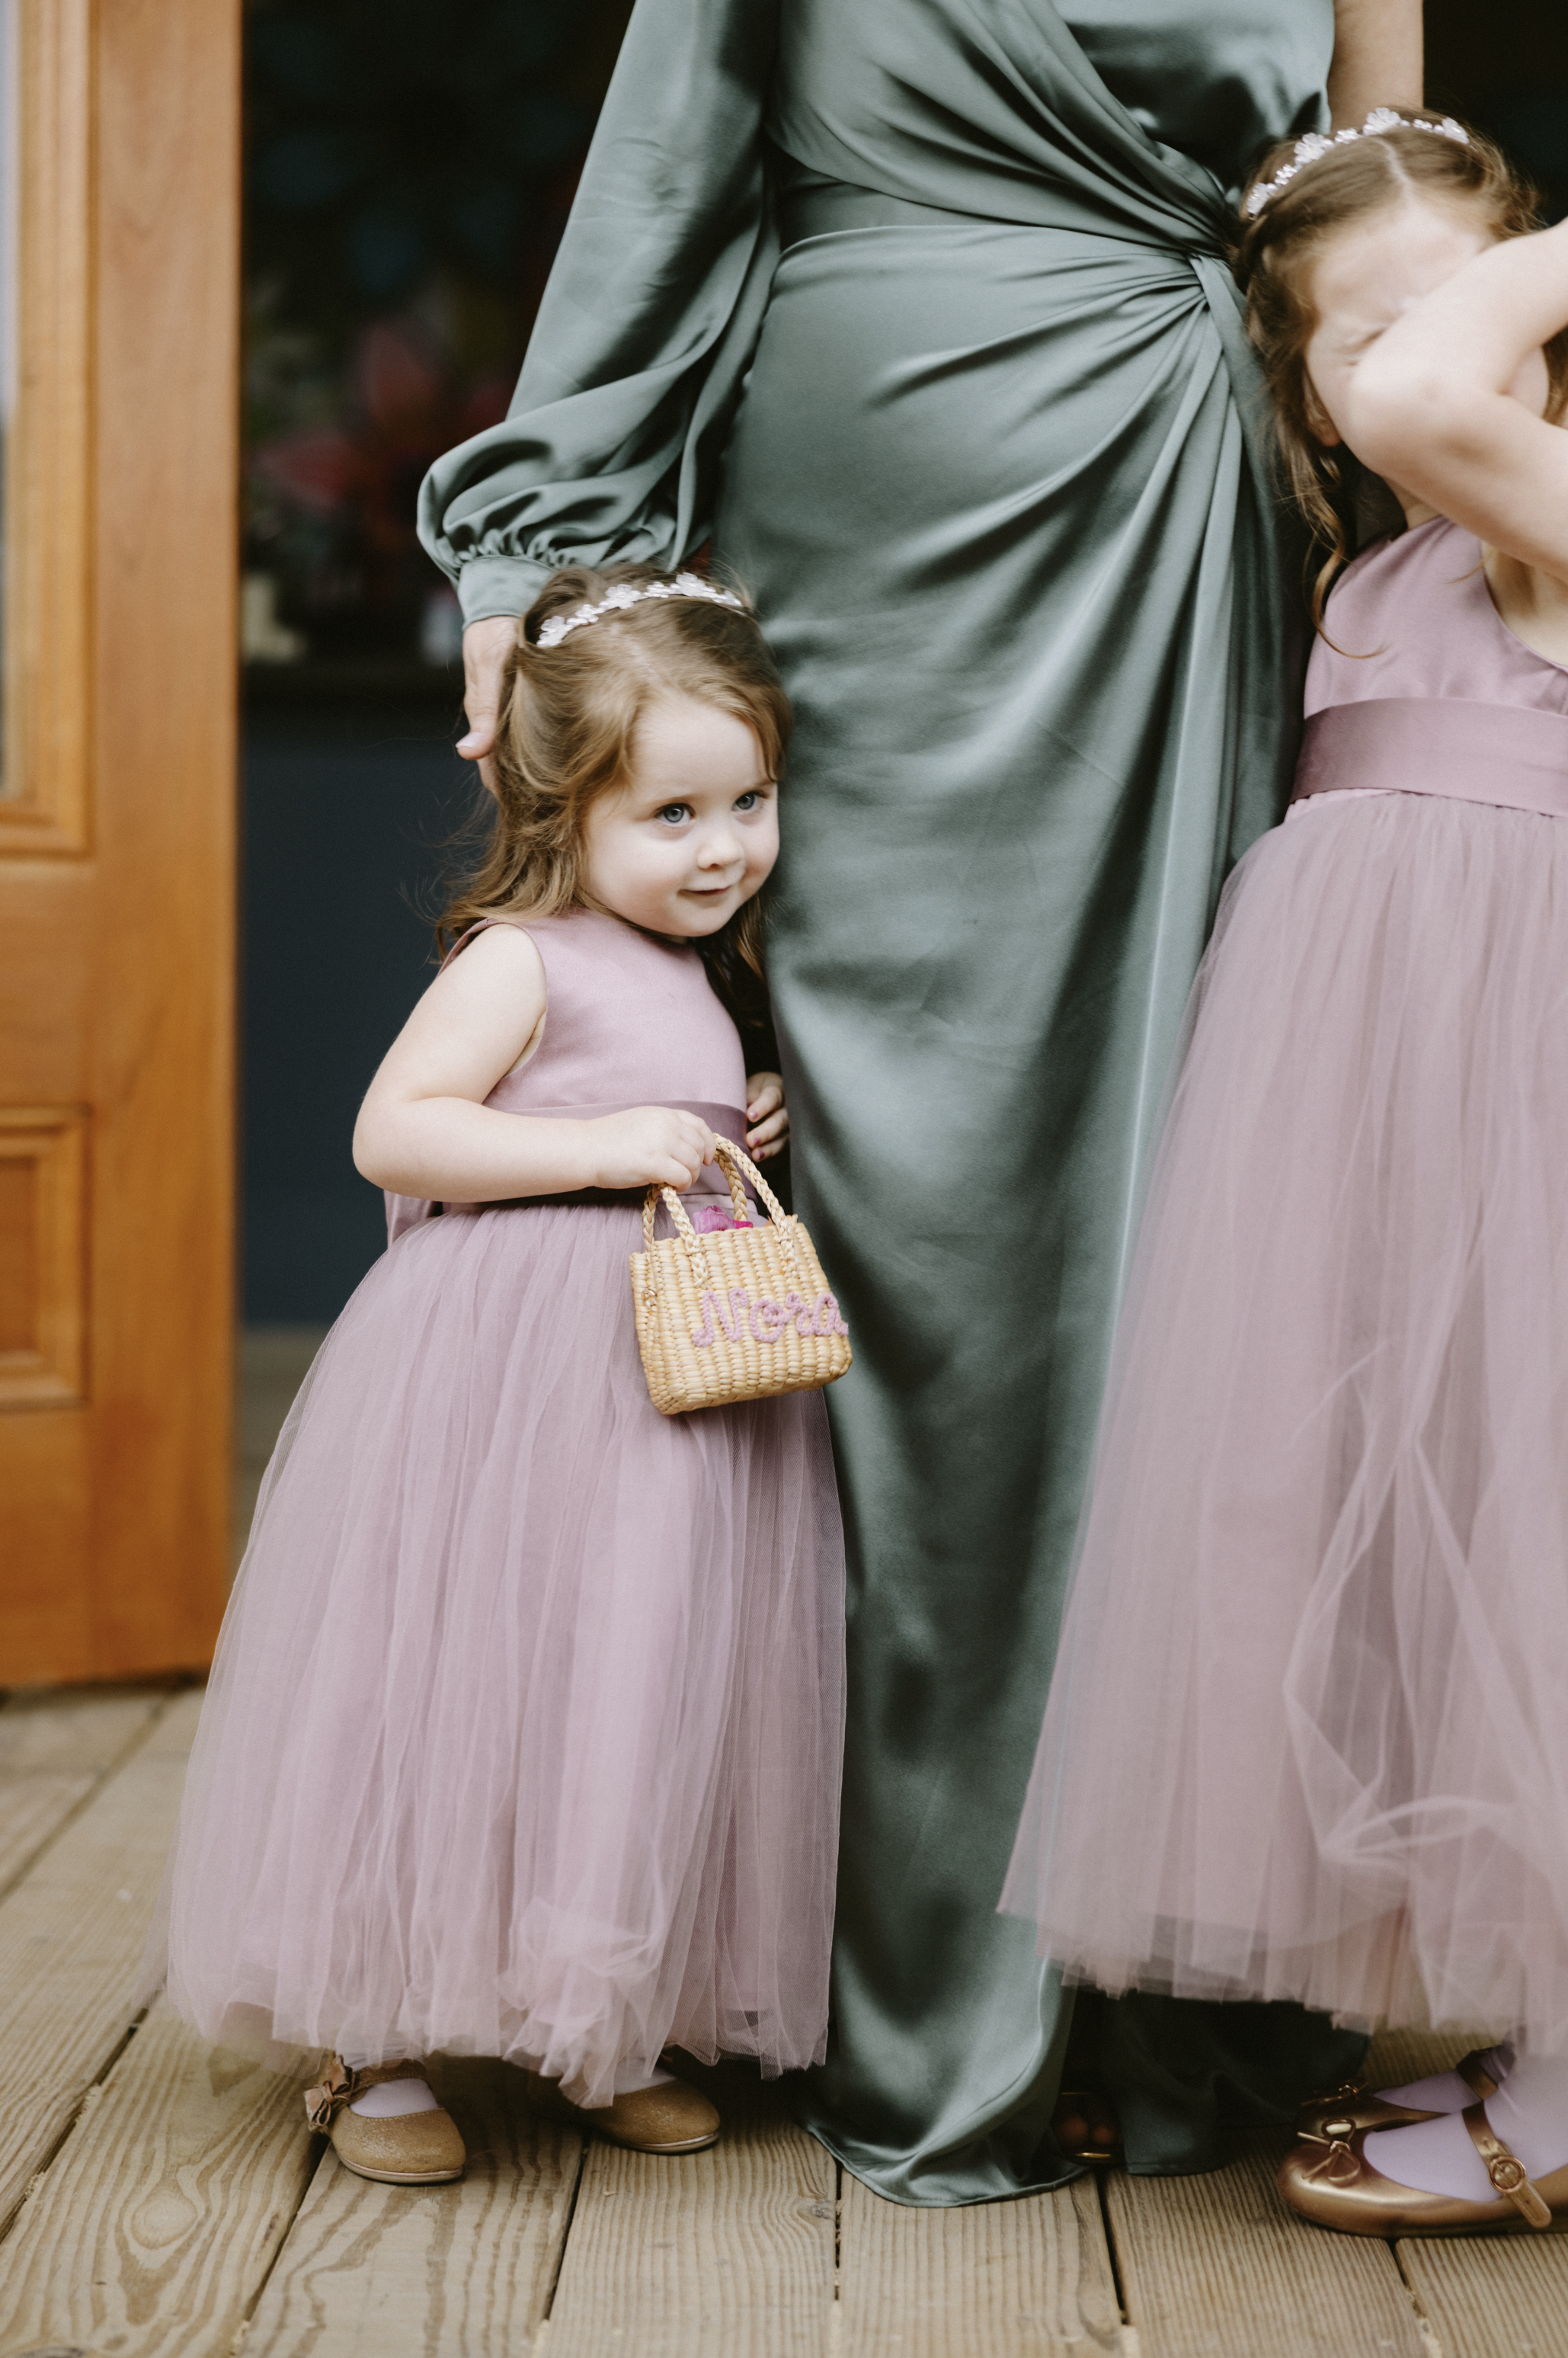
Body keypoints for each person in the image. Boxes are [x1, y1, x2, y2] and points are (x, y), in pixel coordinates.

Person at [419, 0, 1419, 2204]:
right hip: (888, 512)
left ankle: (1166, 1957)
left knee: (1185, 1188)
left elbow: (1370, 188)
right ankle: (874, 1964)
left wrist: (1437, 530)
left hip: (1181, 500)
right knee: (899, 1195)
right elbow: (669, 163)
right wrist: (541, 536)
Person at [1002, 112, 1568, 2234]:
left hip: (1523, 1096)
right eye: (1358, 331)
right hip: (1355, 1113)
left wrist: (1476, 296)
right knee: (1399, 1529)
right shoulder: (1375, 564)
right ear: (1290, 377)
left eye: (1475, 297)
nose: (1424, 355)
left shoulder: (1540, 508)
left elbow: (1444, 394)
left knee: (1539, 1524)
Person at [148, 568, 846, 2184]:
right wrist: (606, 1137)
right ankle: (366, 2029)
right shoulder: (524, 957)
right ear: (563, 804)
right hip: (505, 1379)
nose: (725, 843)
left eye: (750, 799)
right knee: (460, 1677)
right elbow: (394, 1130)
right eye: (672, 811)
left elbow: (662, 1088)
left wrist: (729, 1107)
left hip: (659, 1395)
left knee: (629, 1681)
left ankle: (596, 2015)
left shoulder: (708, 968)